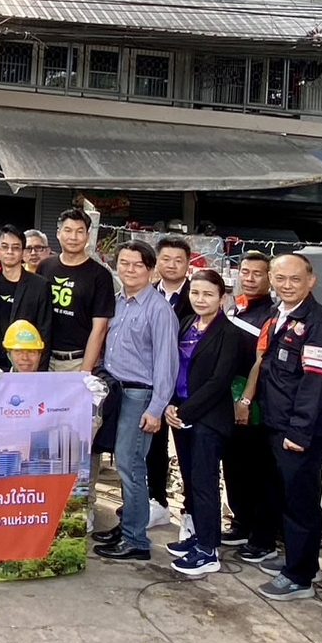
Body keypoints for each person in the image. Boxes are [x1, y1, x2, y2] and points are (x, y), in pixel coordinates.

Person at [240, 254, 322, 602]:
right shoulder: (278, 313)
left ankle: (300, 577)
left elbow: (316, 384)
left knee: (301, 502)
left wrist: (299, 432)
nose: (286, 285)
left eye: (295, 279)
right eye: (280, 278)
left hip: (300, 430)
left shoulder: (318, 323)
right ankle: (301, 561)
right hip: (275, 422)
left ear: (311, 281)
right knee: (283, 495)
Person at [92, 241, 178, 562]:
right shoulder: (117, 302)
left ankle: (136, 540)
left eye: (137, 265)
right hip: (115, 393)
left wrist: (156, 409)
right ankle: (127, 525)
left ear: (151, 270)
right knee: (121, 463)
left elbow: (167, 364)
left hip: (140, 396)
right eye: (124, 263)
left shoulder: (159, 310)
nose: (129, 270)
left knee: (131, 466)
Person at [164, 270, 239, 576]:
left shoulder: (228, 333)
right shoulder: (185, 324)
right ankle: (198, 536)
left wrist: (186, 411)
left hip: (208, 418)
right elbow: (172, 367)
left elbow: (219, 382)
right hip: (180, 413)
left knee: (205, 482)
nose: (200, 299)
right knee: (190, 480)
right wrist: (170, 404)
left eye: (208, 294)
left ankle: (209, 549)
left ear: (222, 298)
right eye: (195, 293)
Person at [222, 251, 279, 558]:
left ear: (269, 277)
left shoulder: (271, 313)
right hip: (228, 399)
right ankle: (241, 523)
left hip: (254, 403)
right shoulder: (235, 307)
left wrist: (245, 400)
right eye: (245, 272)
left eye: (258, 273)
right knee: (234, 466)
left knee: (259, 471)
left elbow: (261, 361)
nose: (250, 278)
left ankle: (263, 537)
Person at [147, 235, 197, 528]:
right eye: (166, 259)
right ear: (156, 262)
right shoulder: (148, 293)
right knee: (153, 447)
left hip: (185, 386)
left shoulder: (196, 296)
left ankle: (191, 511)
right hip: (152, 383)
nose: (172, 265)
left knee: (188, 451)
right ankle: (157, 501)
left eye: (179, 260)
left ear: (188, 264)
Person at [36, 210, 114, 373]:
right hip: (44, 358)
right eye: (68, 230)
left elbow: (100, 328)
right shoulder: (45, 266)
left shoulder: (100, 275)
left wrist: (85, 371)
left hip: (77, 362)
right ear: (58, 233)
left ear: (87, 236)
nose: (73, 237)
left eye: (79, 231)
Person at [0, 225, 53, 371]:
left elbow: (45, 331)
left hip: (26, 364)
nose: (10, 252)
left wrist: (39, 373)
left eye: (16, 247)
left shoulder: (40, 285)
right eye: (5, 247)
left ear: (23, 252)